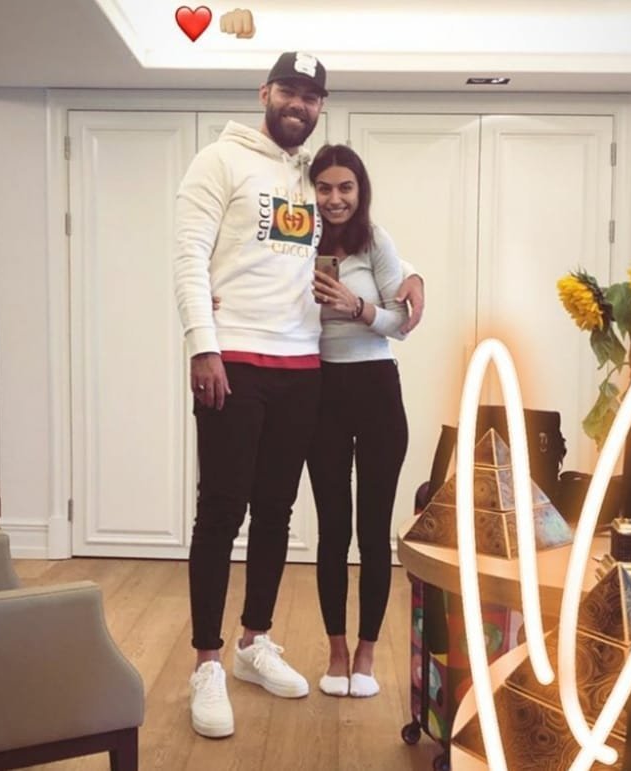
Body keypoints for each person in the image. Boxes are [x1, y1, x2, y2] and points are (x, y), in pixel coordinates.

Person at [173, 52, 424, 739]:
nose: (298, 104)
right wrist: (201, 342)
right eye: (288, 90)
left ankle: (254, 640)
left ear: (320, 107)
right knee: (221, 510)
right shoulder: (218, 161)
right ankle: (206, 661)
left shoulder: (308, 178)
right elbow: (189, 255)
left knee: (276, 512)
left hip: (302, 367)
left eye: (311, 96)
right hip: (234, 360)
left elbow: (357, 232)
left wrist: (413, 276)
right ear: (265, 92)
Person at [306, 144, 409, 699]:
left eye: (345, 187)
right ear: (311, 192)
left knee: (373, 530)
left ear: (359, 191)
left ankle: (367, 652)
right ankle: (337, 651)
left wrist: (357, 307)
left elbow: (402, 322)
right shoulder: (297, 241)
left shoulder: (376, 241)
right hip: (320, 391)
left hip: (376, 391)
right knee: (332, 529)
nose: (335, 198)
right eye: (324, 187)